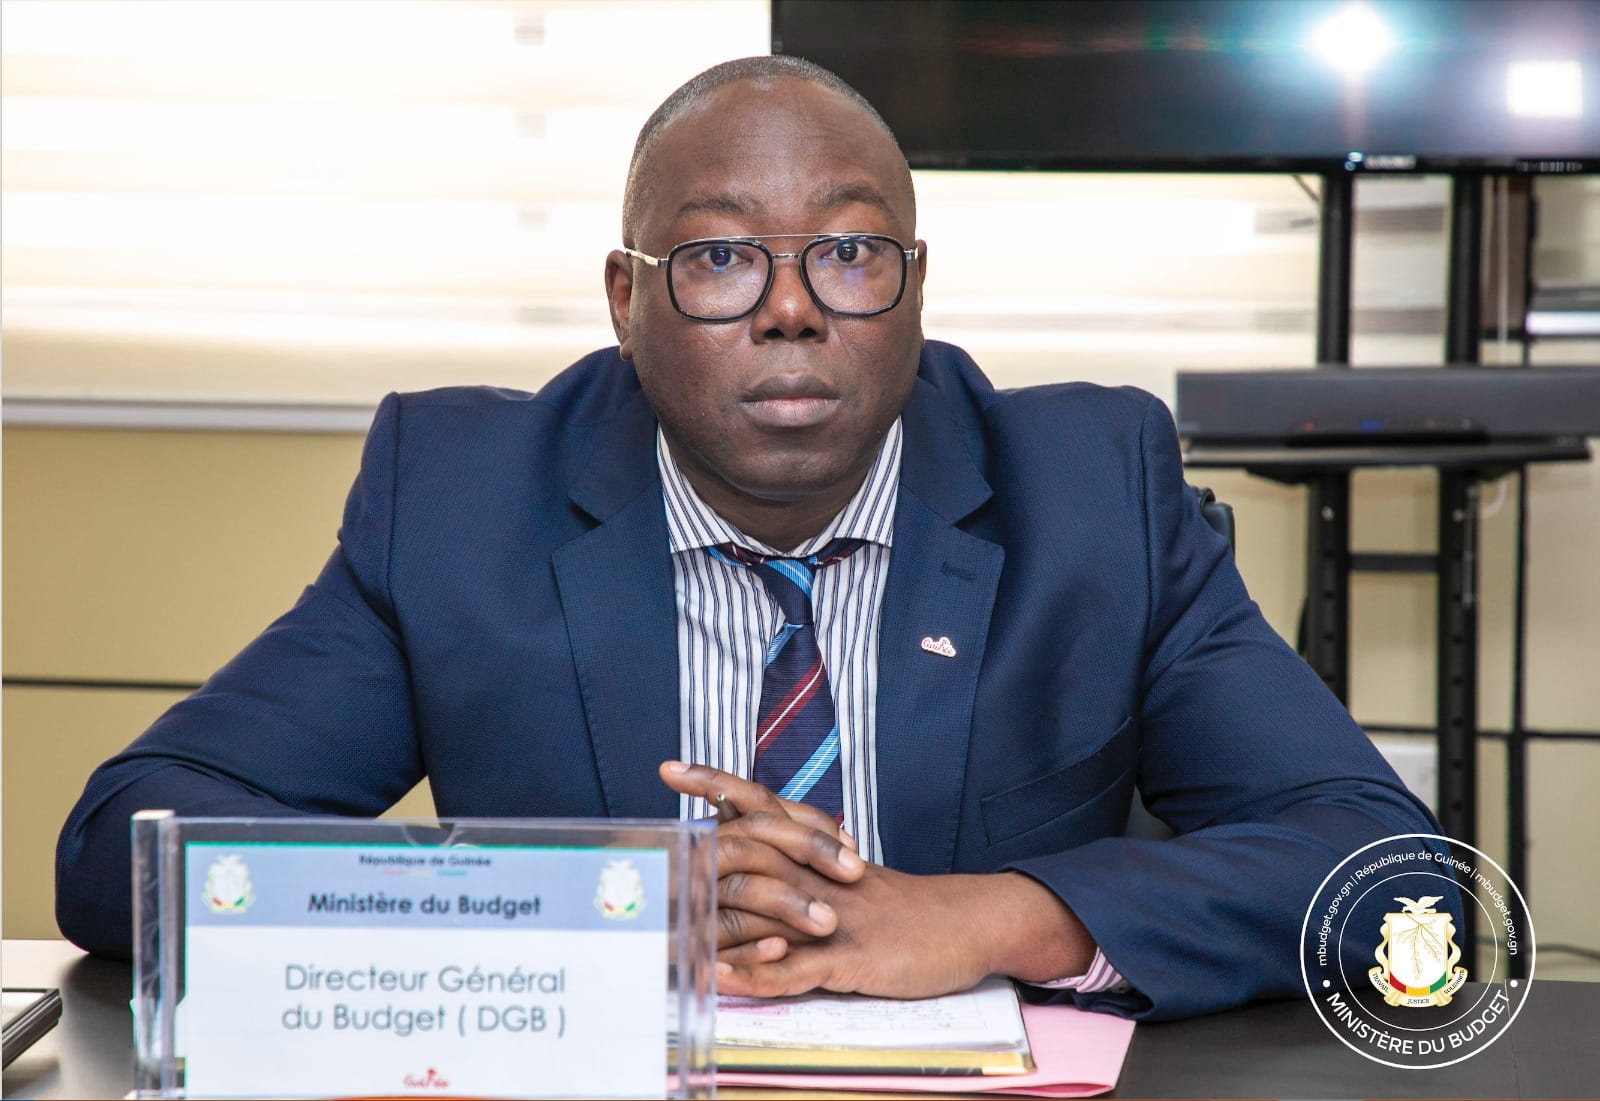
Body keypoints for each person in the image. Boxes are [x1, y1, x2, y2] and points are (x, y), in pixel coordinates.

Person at [56, 56, 1444, 1021]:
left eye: (848, 251)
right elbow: (127, 845)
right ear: (625, 299)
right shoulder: (463, 502)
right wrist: (587, 905)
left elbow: (1390, 878)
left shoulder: (1092, 495)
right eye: (720, 257)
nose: (791, 307)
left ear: (914, 286)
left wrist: (984, 917)